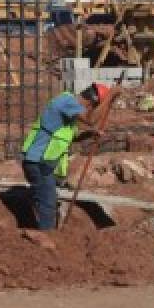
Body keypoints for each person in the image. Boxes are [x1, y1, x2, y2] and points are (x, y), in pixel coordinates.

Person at [21, 83, 109, 231]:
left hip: (43, 164)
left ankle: (38, 230)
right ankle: (46, 238)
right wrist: (110, 97)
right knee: (48, 202)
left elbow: (71, 137)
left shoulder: (69, 112)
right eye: (94, 107)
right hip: (37, 162)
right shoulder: (66, 101)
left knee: (45, 199)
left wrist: (90, 134)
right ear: (91, 101)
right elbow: (91, 119)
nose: (90, 110)